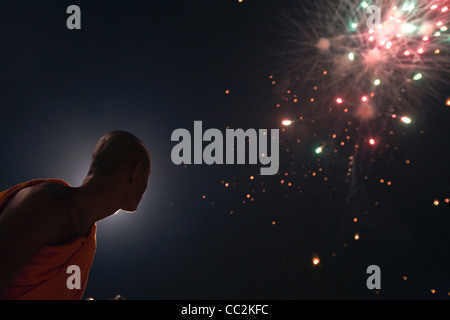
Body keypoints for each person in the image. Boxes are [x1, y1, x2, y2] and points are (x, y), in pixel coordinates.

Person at [0, 130, 151, 299]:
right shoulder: (47, 204)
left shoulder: (87, 238)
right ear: (133, 171)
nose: (146, 185)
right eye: (147, 175)